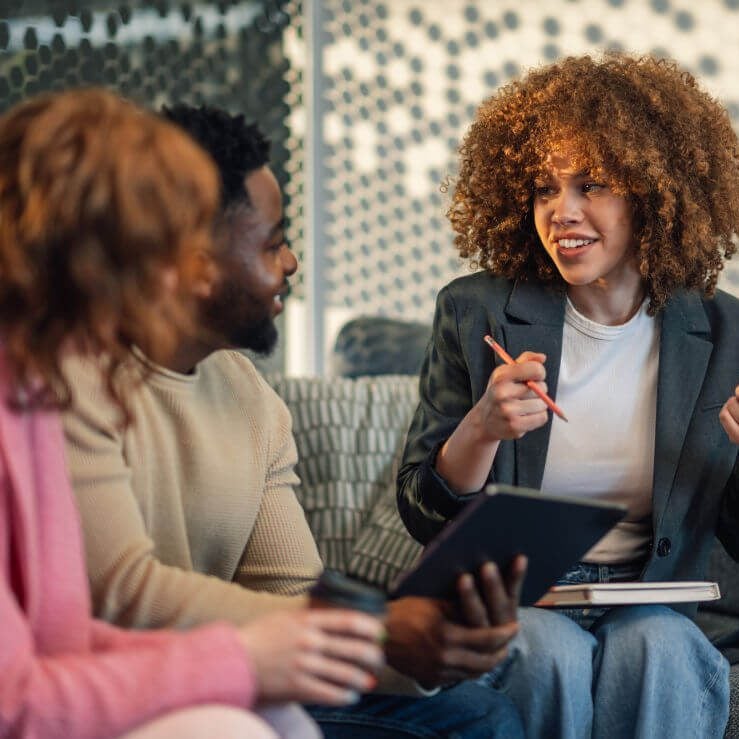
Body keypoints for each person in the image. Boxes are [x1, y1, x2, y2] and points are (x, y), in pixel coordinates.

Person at [61, 104, 527, 738]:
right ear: (191, 263)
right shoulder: (64, 383)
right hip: (103, 689)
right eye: (272, 241)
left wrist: (415, 645)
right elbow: (121, 592)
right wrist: (380, 627)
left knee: (479, 716)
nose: (291, 264)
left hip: (232, 678)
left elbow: (290, 595)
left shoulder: (248, 396)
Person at [0, 88, 388, 739]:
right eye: (160, 250)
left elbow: (61, 638)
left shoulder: (33, 392)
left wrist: (271, 654)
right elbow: (18, 702)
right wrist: (236, 658)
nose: (182, 277)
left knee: (276, 713)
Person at [397, 53, 739, 739]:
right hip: (523, 600)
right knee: (543, 646)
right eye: (543, 189)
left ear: (652, 192)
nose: (563, 212)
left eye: (591, 186)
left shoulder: (727, 331)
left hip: (659, 597)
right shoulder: (477, 312)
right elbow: (423, 510)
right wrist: (481, 429)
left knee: (658, 645)